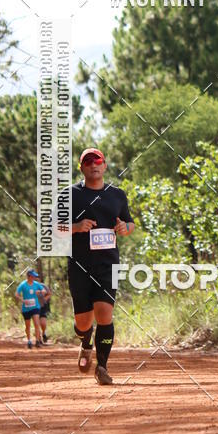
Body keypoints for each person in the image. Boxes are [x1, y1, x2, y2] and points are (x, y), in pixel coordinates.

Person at [67, 147, 135, 386]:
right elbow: (52, 229)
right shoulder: (70, 195)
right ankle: (85, 341)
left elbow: (129, 222)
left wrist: (125, 228)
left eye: (98, 161)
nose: (93, 165)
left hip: (108, 264)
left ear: (105, 165)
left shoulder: (117, 195)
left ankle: (102, 367)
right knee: (83, 322)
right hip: (80, 265)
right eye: (88, 161)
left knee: (105, 313)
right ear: (81, 167)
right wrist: (76, 227)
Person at [15, 270, 44, 348]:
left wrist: (39, 292)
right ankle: (29, 341)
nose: (34, 278)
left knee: (36, 323)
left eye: (34, 276)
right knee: (28, 326)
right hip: (26, 308)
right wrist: (22, 300)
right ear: (29, 276)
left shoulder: (36, 284)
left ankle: (37, 341)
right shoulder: (23, 285)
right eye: (33, 276)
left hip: (35, 307)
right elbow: (16, 294)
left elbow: (44, 291)